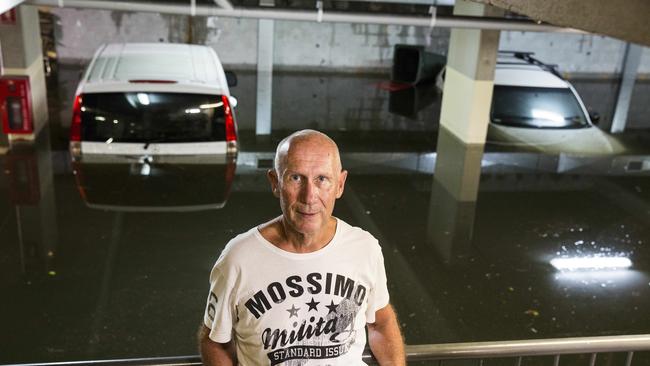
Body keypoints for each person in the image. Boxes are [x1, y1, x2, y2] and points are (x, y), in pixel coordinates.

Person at [199, 129, 405, 365]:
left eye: (322, 179)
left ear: (340, 184)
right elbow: (215, 342)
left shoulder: (365, 248)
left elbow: (381, 322)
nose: (309, 196)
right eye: (296, 178)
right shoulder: (238, 259)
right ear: (275, 183)